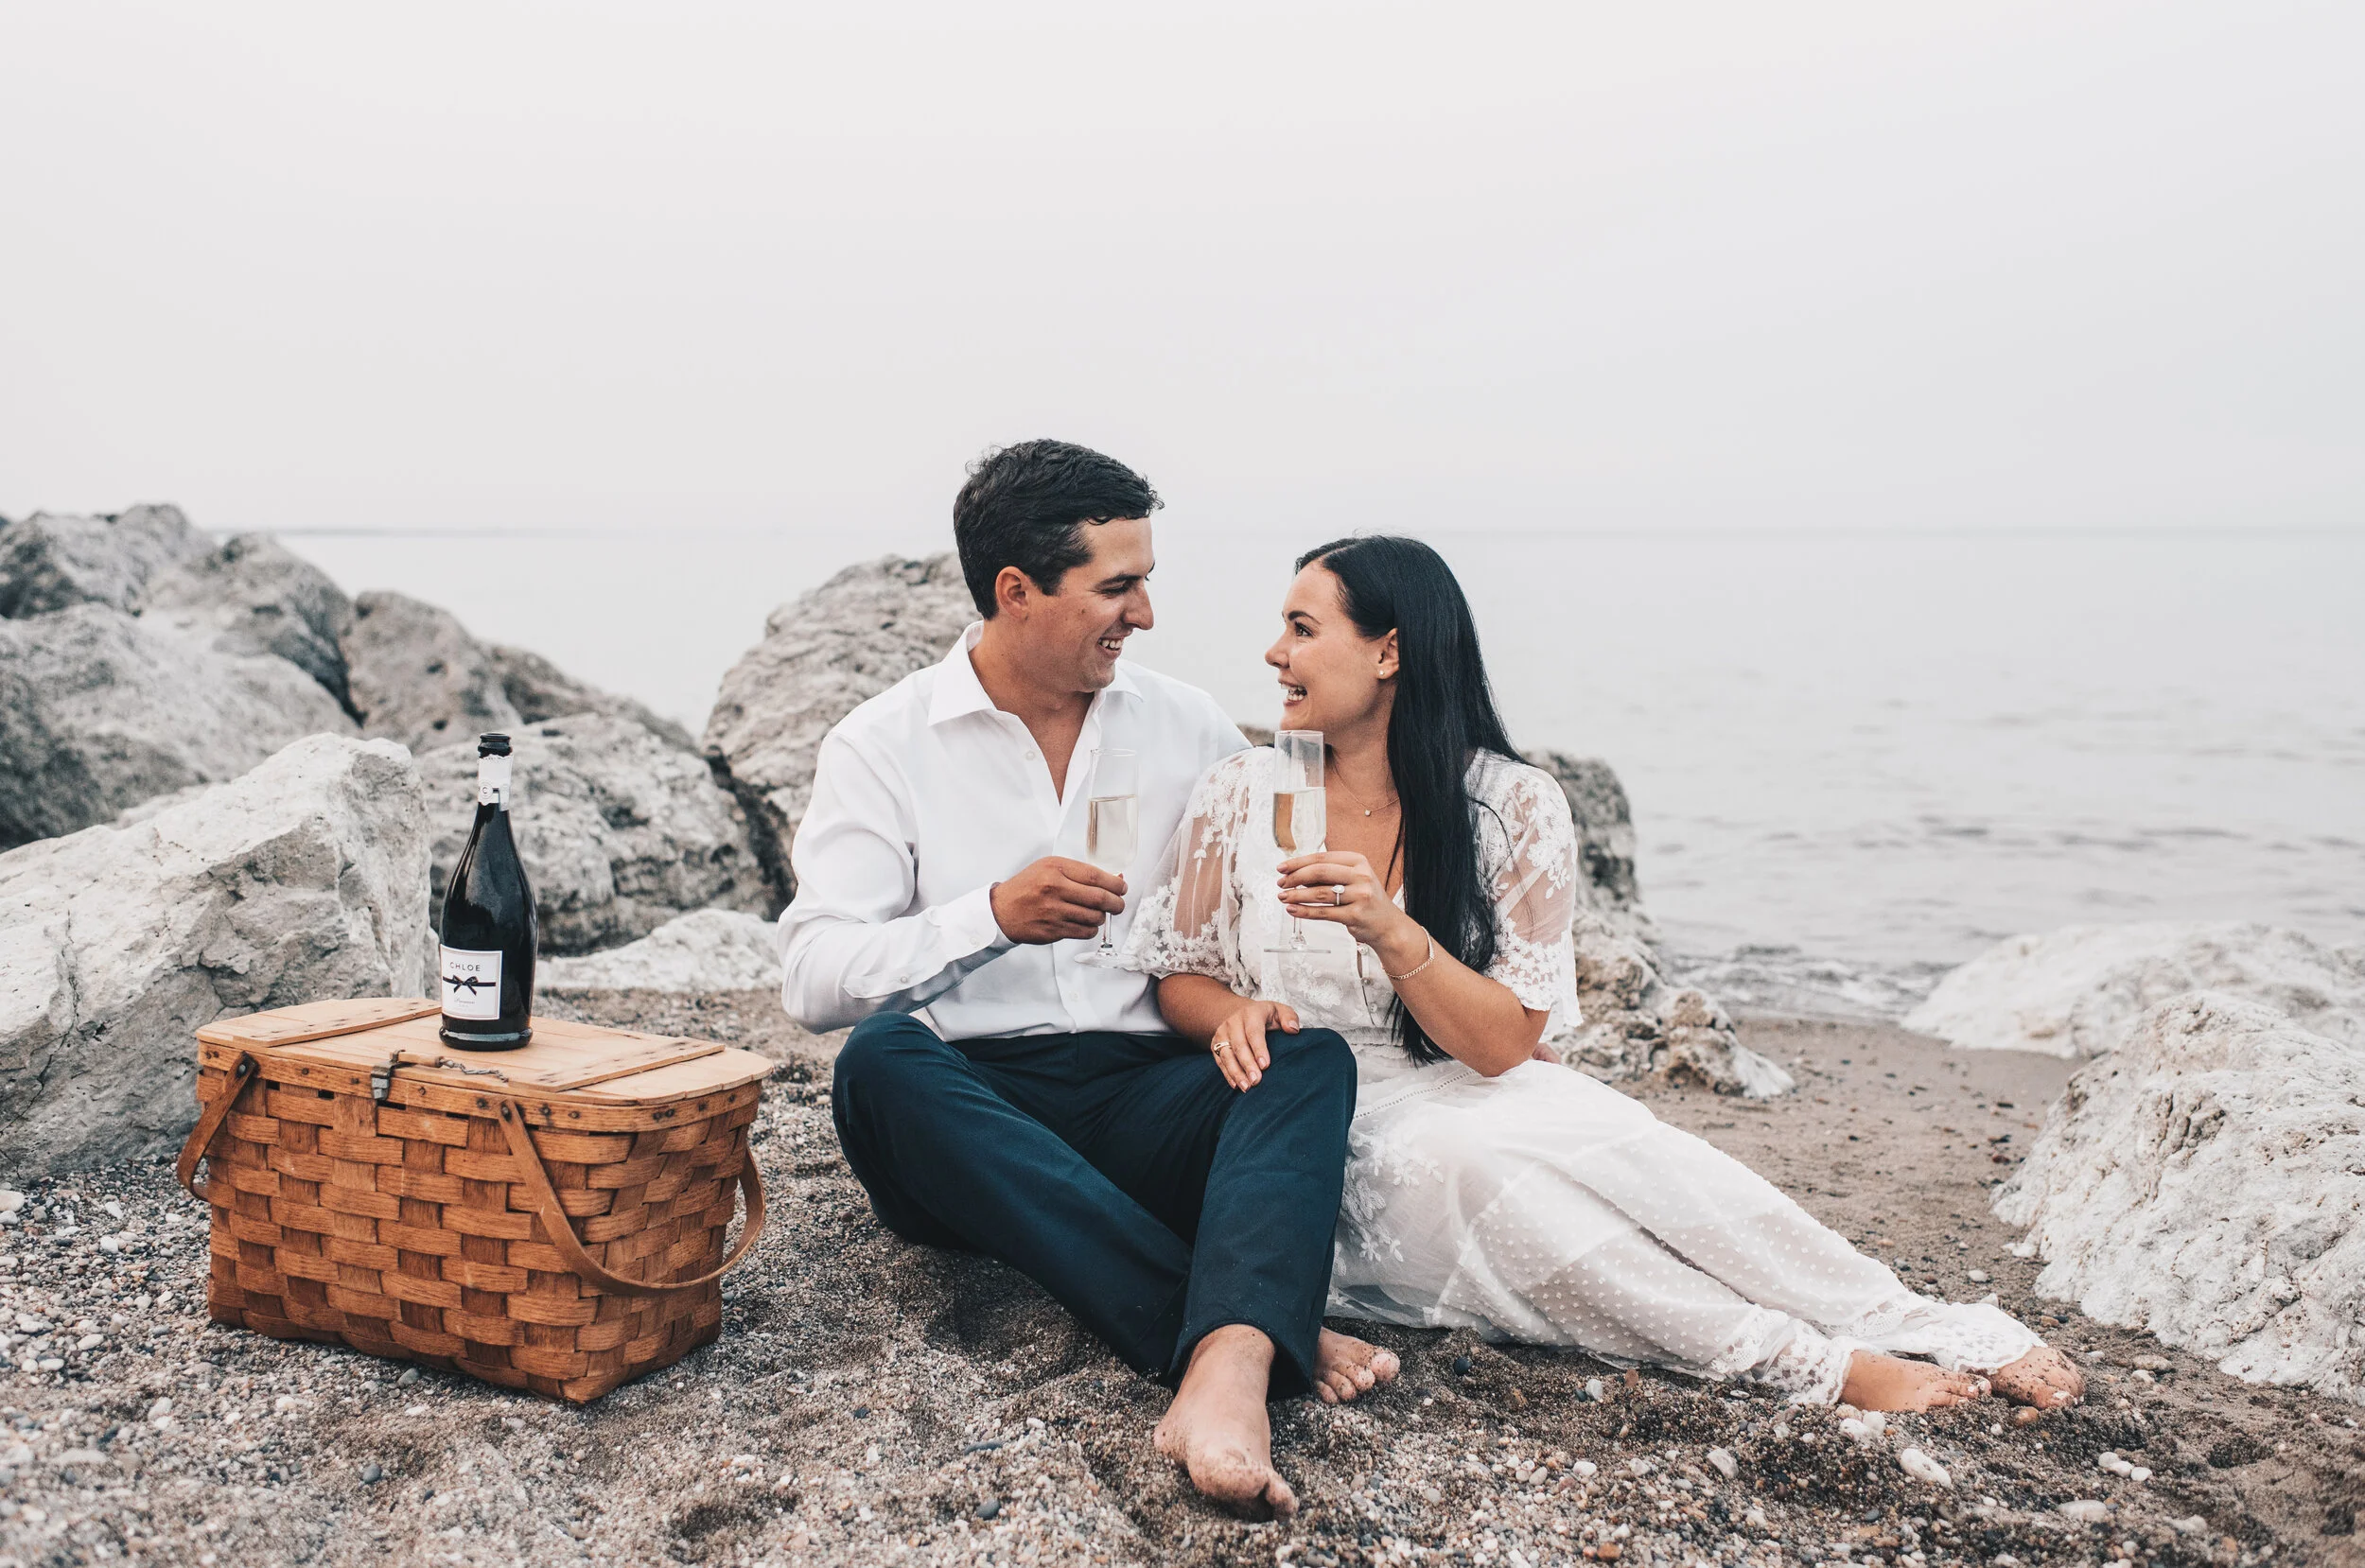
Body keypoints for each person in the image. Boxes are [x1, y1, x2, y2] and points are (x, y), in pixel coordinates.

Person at [1118, 534, 2087, 1413]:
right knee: (1486, 1175)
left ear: (1389, 650)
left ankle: (1915, 1316)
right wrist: (1231, 1016)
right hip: (1316, 1107)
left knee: (1645, 1157)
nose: (1272, 653)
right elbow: (1182, 974)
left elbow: (1502, 1046)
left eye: (1299, 627)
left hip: (1461, 1072)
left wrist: (1389, 926)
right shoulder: (1243, 790)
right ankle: (1806, 1362)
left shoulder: (1511, 803)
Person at [781, 442, 1398, 1520]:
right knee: (878, 1059)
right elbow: (814, 977)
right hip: (970, 1116)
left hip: (1140, 1094)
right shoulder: (881, 745)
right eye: (1118, 585)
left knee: (1302, 1058)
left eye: (1146, 578)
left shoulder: (1186, 724)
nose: (1146, 612)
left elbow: (1301, 845)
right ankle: (1238, 1328)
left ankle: (1229, 1356)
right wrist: (989, 917)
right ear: (1015, 592)